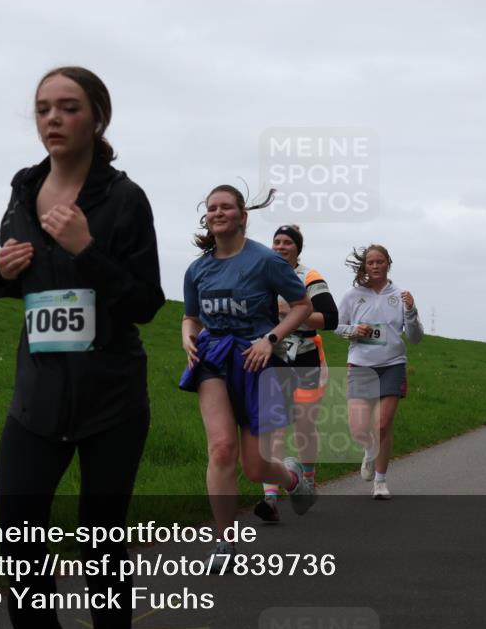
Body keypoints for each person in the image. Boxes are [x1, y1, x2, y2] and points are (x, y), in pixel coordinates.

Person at [0, 66, 164, 629]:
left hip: (110, 400)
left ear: (97, 118)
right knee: (17, 544)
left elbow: (145, 303)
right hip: (35, 398)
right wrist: (3, 273)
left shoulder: (124, 199)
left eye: (67, 108)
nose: (52, 120)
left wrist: (86, 249)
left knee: (101, 546)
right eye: (42, 109)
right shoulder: (21, 188)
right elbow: (29, 284)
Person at [180, 186, 315, 565]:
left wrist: (270, 339)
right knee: (222, 448)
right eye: (211, 208)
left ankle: (291, 479)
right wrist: (188, 339)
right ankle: (225, 542)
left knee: (254, 466)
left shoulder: (267, 261)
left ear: (243, 214)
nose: (218, 213)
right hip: (213, 359)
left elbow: (302, 306)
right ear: (206, 217)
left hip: (258, 361)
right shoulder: (198, 268)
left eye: (226, 207)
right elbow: (190, 317)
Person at [255, 225, 339, 522]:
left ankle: (308, 483)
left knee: (303, 428)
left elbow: (330, 319)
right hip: (271, 358)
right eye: (276, 241)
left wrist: (292, 312)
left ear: (297, 248)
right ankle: (271, 498)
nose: (280, 246)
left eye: (287, 242)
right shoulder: (261, 274)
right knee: (274, 430)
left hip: (305, 358)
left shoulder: (310, 276)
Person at [335, 245, 423, 499]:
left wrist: (412, 311)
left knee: (383, 424)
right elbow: (337, 326)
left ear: (388, 264)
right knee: (359, 428)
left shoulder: (401, 295)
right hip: (361, 364)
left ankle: (381, 482)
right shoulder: (353, 295)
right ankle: (369, 450)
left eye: (380, 261)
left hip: (392, 364)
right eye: (371, 262)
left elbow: (416, 338)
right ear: (364, 266)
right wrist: (354, 330)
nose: (375, 266)